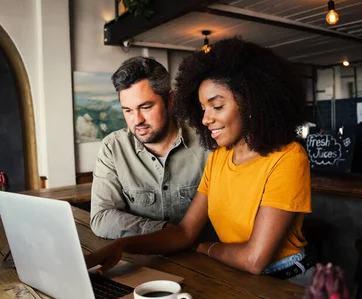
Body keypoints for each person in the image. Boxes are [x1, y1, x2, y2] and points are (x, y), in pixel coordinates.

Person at [87, 38, 313, 284]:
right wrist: (123, 245)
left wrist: (206, 248)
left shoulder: (289, 158)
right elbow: (185, 232)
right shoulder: (219, 156)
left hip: (287, 281)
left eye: (216, 106)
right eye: (203, 108)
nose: (205, 119)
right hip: (235, 275)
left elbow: (254, 260)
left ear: (250, 102)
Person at [90, 56, 210, 239]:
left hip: (203, 261)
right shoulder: (112, 148)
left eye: (145, 107)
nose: (137, 120)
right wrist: (166, 232)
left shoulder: (206, 144)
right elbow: (101, 217)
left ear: (170, 100)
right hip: (144, 262)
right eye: (127, 110)